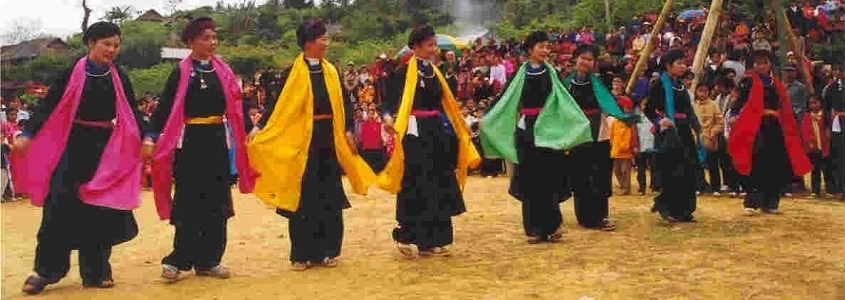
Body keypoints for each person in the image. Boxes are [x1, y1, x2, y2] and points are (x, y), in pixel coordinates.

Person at [17, 22, 144, 294]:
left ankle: (96, 271)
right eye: (106, 44)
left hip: (105, 149)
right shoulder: (72, 73)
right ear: (90, 44)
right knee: (58, 208)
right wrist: (28, 133)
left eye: (116, 45)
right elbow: (48, 105)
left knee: (100, 209)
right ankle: (46, 271)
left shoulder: (118, 76)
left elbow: (132, 111)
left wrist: (148, 137)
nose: (112, 50)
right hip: (71, 145)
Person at [247, 19, 375, 271]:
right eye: (322, 38)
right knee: (303, 196)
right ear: (308, 42)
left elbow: (345, 104)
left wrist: (348, 129)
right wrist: (258, 126)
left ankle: (328, 251)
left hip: (328, 139)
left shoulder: (332, 71)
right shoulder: (290, 73)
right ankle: (301, 253)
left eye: (327, 38)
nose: (326, 43)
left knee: (329, 194)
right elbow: (276, 104)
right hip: (302, 143)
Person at [146, 17, 256, 282]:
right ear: (191, 42)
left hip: (217, 140)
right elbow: (165, 107)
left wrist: (251, 129)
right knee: (189, 200)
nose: (212, 43)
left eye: (214, 37)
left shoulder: (224, 72)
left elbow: (236, 102)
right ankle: (179, 259)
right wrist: (150, 135)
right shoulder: (181, 72)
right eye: (206, 38)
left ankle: (210, 260)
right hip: (190, 143)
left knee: (217, 201)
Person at [379, 24, 480, 258]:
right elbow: (388, 103)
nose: (434, 49)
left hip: (436, 132)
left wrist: (459, 123)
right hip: (414, 134)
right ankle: (406, 235)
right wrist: (386, 118)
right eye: (429, 45)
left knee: (439, 182)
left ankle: (435, 239)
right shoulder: (403, 73)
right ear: (415, 47)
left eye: (435, 45)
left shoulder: (436, 73)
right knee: (416, 183)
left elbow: (448, 104)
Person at [481, 30, 591, 243]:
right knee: (531, 179)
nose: (544, 50)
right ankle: (534, 229)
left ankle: (552, 226)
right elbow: (504, 98)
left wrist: (574, 120)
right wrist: (487, 118)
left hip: (548, 130)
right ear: (530, 49)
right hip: (527, 131)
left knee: (549, 177)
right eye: (540, 46)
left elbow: (563, 99)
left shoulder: (552, 73)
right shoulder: (519, 74)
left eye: (546, 46)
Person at [562, 44, 638, 230]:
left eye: (590, 59)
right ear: (576, 58)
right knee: (580, 176)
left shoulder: (600, 82)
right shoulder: (566, 83)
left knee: (600, 175)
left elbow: (610, 103)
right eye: (582, 58)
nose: (585, 62)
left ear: (594, 63)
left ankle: (601, 217)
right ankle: (583, 216)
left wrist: (623, 116)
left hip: (599, 132)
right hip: (578, 134)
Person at [728, 49, 811, 216]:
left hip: (774, 127)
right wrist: (734, 115)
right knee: (757, 162)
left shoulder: (776, 84)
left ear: (769, 64)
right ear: (754, 65)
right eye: (758, 63)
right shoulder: (749, 82)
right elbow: (739, 101)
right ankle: (752, 201)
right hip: (756, 127)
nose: (761, 66)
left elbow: (784, 106)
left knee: (775, 163)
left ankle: (771, 201)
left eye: (764, 63)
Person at [645, 49, 706, 223]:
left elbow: (688, 109)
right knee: (672, 171)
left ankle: (684, 210)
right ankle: (666, 207)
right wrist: (660, 120)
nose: (682, 66)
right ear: (668, 66)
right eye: (678, 63)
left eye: (683, 63)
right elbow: (648, 109)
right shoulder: (659, 84)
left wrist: (697, 128)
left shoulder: (681, 86)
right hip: (668, 133)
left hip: (684, 131)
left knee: (688, 170)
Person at [800, 97, 833, 198]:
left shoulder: (825, 116)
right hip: (813, 148)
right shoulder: (807, 116)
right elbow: (804, 131)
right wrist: (809, 142)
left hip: (825, 146)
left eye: (815, 102)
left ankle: (830, 190)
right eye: (810, 103)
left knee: (827, 169)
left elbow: (829, 131)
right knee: (815, 170)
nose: (813, 105)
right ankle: (815, 190)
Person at [609, 96, 639, 195]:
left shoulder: (630, 122)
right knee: (617, 171)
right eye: (626, 108)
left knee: (625, 171)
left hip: (626, 150)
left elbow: (634, 134)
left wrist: (634, 146)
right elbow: (611, 135)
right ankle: (622, 186)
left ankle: (626, 189)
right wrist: (611, 145)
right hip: (616, 150)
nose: (628, 110)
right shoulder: (615, 122)